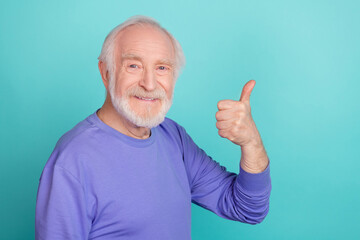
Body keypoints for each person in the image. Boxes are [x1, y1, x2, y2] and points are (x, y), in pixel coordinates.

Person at [35, 15, 271, 240]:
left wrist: (252, 143)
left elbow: (248, 209)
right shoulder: (72, 161)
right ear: (106, 73)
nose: (149, 84)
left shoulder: (173, 137)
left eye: (162, 68)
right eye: (134, 65)